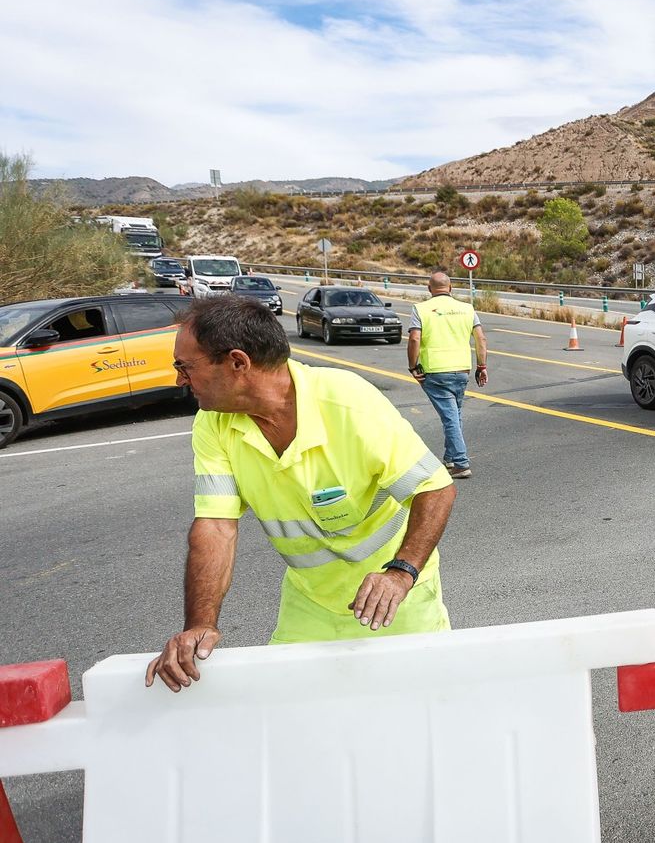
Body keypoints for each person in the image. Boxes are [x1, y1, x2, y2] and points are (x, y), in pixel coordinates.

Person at [146, 296, 457, 692]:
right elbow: (215, 527)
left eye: (185, 367)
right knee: (294, 717)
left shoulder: (346, 400)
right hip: (310, 606)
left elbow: (435, 488)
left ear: (238, 363)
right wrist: (200, 625)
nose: (179, 380)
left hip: (396, 601)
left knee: (415, 710)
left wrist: (400, 574)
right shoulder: (213, 425)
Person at [408, 272, 487, 480]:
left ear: (429, 289)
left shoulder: (420, 309)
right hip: (461, 370)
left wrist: (412, 366)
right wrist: (481, 366)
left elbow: (415, 339)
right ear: (451, 288)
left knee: (450, 417)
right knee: (454, 415)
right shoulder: (467, 309)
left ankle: (460, 463)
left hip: (435, 371)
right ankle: (450, 458)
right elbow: (481, 338)